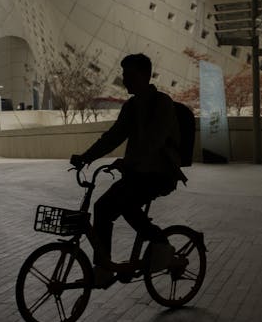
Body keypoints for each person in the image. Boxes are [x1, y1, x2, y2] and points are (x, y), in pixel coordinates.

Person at [70, 53, 181, 287]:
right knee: (102, 208)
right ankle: (103, 268)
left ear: (143, 75)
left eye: (128, 74)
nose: (124, 79)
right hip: (137, 174)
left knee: (126, 204)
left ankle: (161, 243)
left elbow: (155, 141)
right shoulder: (132, 106)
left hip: (160, 173)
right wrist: (86, 157)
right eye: (124, 74)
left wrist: (129, 162)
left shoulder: (162, 103)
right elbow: (113, 136)